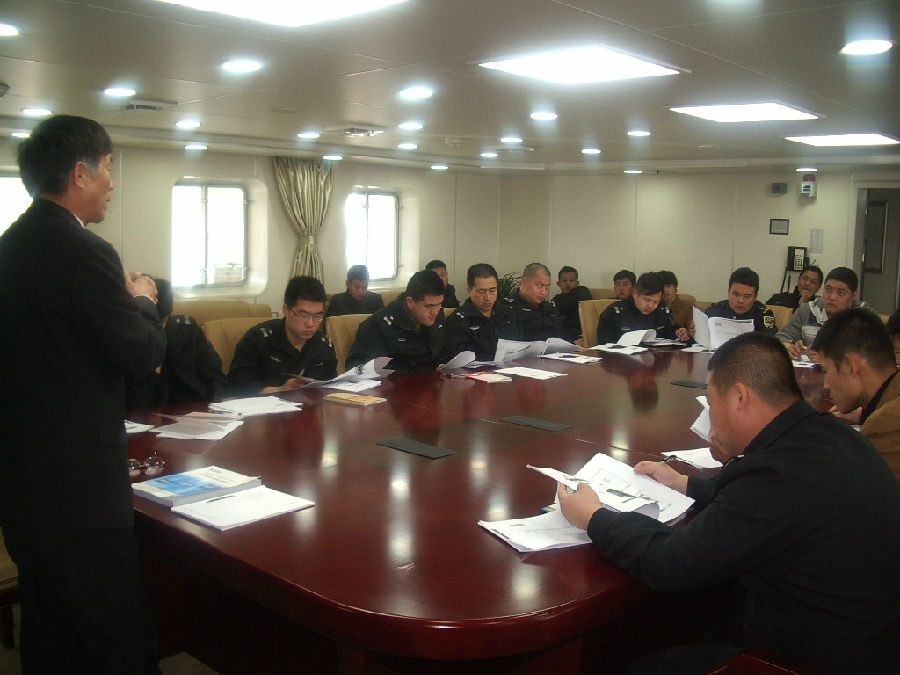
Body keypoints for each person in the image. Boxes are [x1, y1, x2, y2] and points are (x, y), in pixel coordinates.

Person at [558, 332, 899, 675]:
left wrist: (594, 517)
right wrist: (684, 483)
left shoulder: (776, 476)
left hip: (802, 660)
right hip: (871, 639)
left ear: (739, 397)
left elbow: (670, 563)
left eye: (711, 401)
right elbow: (759, 503)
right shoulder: (825, 435)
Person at [0, 115, 164, 673]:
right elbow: (141, 355)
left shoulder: (10, 246)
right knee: (120, 638)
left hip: (22, 488)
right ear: (79, 173)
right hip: (80, 495)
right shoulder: (85, 251)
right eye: (108, 169)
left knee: (49, 633)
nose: (112, 183)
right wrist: (142, 301)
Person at [815, 308, 899, 479]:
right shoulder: (887, 403)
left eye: (826, 370)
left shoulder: (886, 423)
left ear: (850, 365)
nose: (826, 385)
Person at [126, 277, 228, 409]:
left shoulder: (187, 329)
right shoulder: (129, 335)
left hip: (194, 411)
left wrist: (219, 407)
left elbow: (216, 379)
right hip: (144, 412)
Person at [228, 276, 337, 395]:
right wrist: (279, 390)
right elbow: (237, 384)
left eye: (317, 316)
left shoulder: (324, 345)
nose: (310, 324)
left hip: (311, 404)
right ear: (285, 310)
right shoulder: (258, 339)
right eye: (303, 315)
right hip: (267, 404)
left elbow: (330, 386)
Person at [346, 269, 447, 375]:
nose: (435, 312)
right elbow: (355, 369)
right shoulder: (378, 325)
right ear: (410, 302)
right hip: (396, 383)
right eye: (429, 306)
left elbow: (443, 352)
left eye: (439, 304)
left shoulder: (437, 315)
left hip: (434, 380)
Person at [776, 266, 874, 359]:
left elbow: (872, 353)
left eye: (840, 292)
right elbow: (783, 336)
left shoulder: (865, 316)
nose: (832, 297)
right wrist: (788, 346)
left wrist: (830, 356)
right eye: (828, 290)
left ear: (853, 296)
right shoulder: (808, 310)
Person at [442, 263, 518, 361]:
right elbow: (460, 360)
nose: (487, 298)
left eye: (492, 290)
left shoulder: (508, 313)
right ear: (469, 291)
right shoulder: (457, 321)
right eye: (481, 291)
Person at [596, 272, 692, 344]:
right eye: (647, 300)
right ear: (635, 293)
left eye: (655, 302)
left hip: (657, 361)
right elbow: (604, 344)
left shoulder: (662, 311)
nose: (651, 306)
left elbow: (671, 332)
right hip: (623, 362)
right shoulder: (614, 313)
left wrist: (680, 334)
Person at [501, 262, 565, 341]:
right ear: (524, 282)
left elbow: (562, 337)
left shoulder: (550, 307)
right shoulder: (507, 307)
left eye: (546, 287)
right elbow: (509, 343)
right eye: (539, 285)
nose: (544, 292)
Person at [705, 267, 776, 334]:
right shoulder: (715, 311)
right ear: (728, 292)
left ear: (755, 297)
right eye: (736, 294)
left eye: (747, 296)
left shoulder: (762, 314)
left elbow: (770, 340)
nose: (740, 300)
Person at [551, 265, 592, 342]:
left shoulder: (583, 291)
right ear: (558, 283)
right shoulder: (557, 298)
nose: (568, 283)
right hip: (559, 332)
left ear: (577, 283)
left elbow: (563, 306)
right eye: (564, 280)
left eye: (571, 280)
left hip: (578, 333)